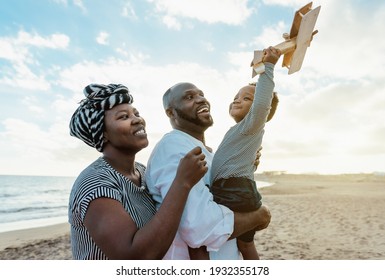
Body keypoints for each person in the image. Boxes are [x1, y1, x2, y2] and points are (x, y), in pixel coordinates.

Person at [145, 49, 278, 260]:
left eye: (202, 95)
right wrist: (259, 215)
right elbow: (200, 227)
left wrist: (247, 164)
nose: (201, 100)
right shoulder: (174, 146)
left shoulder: (210, 152)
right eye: (189, 97)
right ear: (171, 112)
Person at [68, 83, 208, 259]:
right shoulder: (96, 182)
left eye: (136, 113)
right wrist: (182, 182)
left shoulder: (142, 171)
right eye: (123, 117)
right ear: (102, 133)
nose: (137, 120)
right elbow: (134, 257)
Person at [210, 46, 281, 260]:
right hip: (236, 189)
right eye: (236, 96)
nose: (237, 100)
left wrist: (267, 68)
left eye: (247, 98)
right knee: (245, 244)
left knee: (205, 233)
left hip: (235, 190)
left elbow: (262, 104)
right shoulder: (239, 131)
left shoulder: (252, 125)